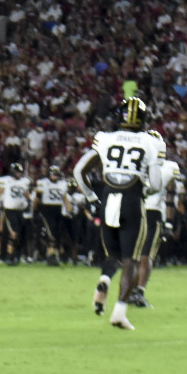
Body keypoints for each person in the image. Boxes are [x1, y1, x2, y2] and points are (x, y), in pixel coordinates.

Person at [72, 97, 164, 330]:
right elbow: (155, 183)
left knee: (113, 255)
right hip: (131, 200)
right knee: (131, 260)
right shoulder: (148, 141)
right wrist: (142, 188)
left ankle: (104, 280)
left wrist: (93, 197)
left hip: (108, 198)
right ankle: (120, 311)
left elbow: (79, 170)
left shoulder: (105, 138)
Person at [132, 131, 179, 307]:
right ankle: (136, 292)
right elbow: (170, 197)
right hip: (144, 213)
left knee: (139, 256)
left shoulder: (164, 166)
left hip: (143, 212)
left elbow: (171, 197)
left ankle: (134, 292)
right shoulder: (167, 166)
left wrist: (168, 222)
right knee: (140, 256)